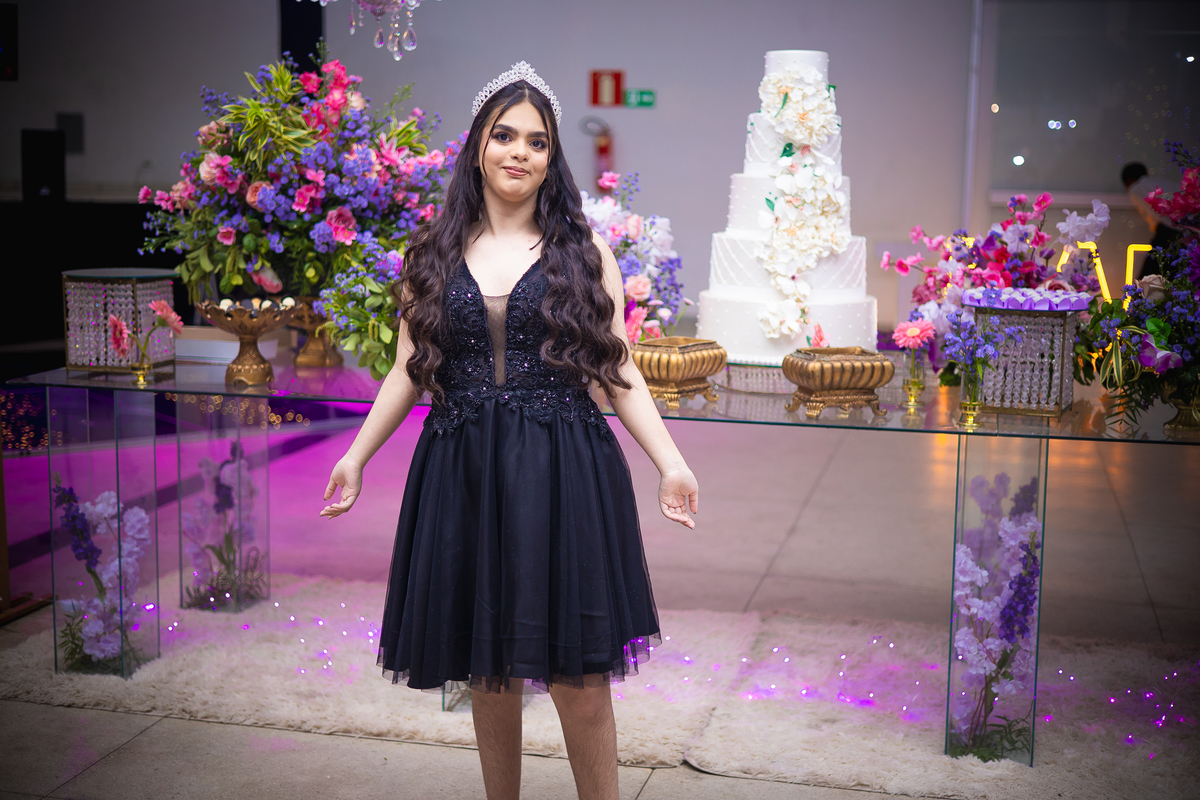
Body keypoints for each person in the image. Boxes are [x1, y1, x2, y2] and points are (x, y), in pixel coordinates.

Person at [319, 62, 699, 800]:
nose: (518, 151)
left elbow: (617, 369)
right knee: (487, 670)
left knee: (578, 678)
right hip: (462, 469)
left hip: (562, 470)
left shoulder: (584, 255)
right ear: (478, 147)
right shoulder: (431, 253)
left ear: (551, 159)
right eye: (504, 136)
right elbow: (406, 370)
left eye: (536, 141)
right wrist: (357, 456)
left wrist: (670, 463)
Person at [1122, 161, 1181, 277]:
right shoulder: (1163, 183)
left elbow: (1156, 212)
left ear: (1128, 180)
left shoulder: (1136, 189)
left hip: (1167, 230)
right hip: (1185, 229)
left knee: (1151, 273)